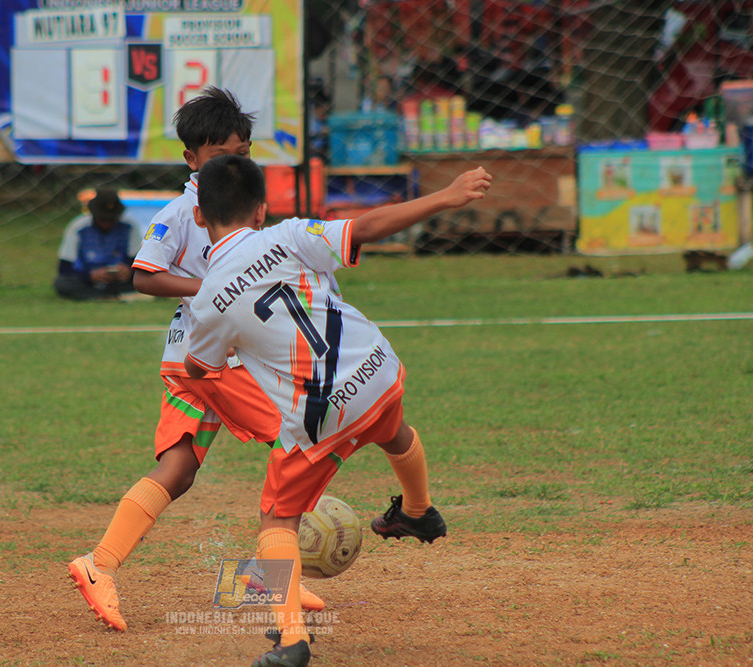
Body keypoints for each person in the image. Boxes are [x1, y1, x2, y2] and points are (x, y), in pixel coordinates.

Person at [183, 155, 492, 667]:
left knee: (277, 520)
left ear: (199, 217)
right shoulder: (288, 233)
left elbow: (198, 368)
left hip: (322, 410)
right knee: (393, 430)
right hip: (375, 368)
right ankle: (419, 512)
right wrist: (446, 195)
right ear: (261, 210)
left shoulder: (209, 298)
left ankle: (291, 640)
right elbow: (366, 227)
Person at [67, 87, 325, 632]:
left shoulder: (240, 202)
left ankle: (99, 564)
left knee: (179, 469)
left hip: (209, 357)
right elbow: (143, 274)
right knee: (299, 438)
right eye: (220, 155)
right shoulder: (184, 211)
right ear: (191, 160)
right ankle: (269, 574)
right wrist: (210, 285)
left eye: (243, 152)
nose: (234, 163)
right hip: (208, 360)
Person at [53, 188, 140, 301]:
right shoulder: (78, 227)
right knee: (62, 283)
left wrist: (127, 270)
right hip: (88, 280)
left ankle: (107, 295)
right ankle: (104, 296)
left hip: (119, 281)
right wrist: (90, 276)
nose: (106, 224)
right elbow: (64, 267)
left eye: (111, 220)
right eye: (102, 219)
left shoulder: (129, 226)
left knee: (145, 280)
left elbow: (139, 261)